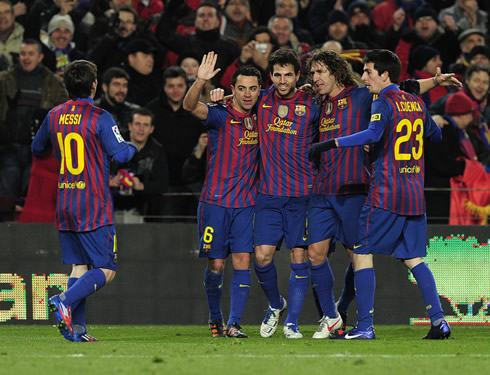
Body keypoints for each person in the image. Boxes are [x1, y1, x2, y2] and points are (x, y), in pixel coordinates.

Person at [306, 48, 462, 339]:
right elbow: (436, 135)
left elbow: (373, 134)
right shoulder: (414, 102)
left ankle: (364, 326)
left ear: (384, 74)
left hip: (386, 192)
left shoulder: (382, 101)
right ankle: (440, 321)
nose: (363, 77)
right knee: (414, 259)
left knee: (362, 253)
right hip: (415, 195)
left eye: (368, 71)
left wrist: (329, 144)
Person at [31, 60, 138, 342]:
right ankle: (64, 300)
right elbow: (122, 155)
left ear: (67, 87)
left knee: (79, 267)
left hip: (65, 200)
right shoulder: (100, 116)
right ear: (94, 85)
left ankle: (77, 330)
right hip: (92, 204)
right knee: (107, 269)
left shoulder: (54, 115)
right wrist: (133, 144)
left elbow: (37, 148)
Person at [183, 52, 261, 338]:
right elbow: (189, 105)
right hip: (214, 203)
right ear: (232, 90)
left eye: (253, 88)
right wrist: (200, 81)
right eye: (241, 88)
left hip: (246, 205)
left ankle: (234, 323)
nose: (248, 94)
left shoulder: (264, 116)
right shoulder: (219, 115)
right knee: (216, 264)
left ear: (260, 90)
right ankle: (215, 318)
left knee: (243, 261)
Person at [253, 48, 320, 339]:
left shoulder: (311, 103)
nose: (283, 80)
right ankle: (275, 304)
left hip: (301, 196)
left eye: (288, 75)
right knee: (262, 258)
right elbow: (235, 101)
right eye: (278, 75)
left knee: (298, 257)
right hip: (268, 196)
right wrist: (217, 93)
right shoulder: (261, 99)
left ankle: (292, 322)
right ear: (271, 76)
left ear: (297, 76)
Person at [0, 38, 68, 201]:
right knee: (7, 191)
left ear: (40, 57)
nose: (26, 58)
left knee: (30, 195)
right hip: (8, 147)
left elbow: (64, 115)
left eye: (31, 53)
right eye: (23, 53)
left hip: (39, 152)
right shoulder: (3, 80)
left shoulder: (55, 83)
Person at [110, 107, 168, 223]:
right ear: (130, 126)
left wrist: (142, 185)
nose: (141, 129)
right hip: (112, 207)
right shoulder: (115, 145)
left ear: (151, 129)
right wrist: (110, 180)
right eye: (137, 124)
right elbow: (97, 171)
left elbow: (163, 184)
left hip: (143, 211)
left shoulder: (157, 151)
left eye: (145, 125)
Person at [94, 67, 139, 137]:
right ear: (105, 87)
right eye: (117, 85)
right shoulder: (93, 110)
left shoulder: (134, 112)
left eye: (124, 85)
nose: (121, 90)